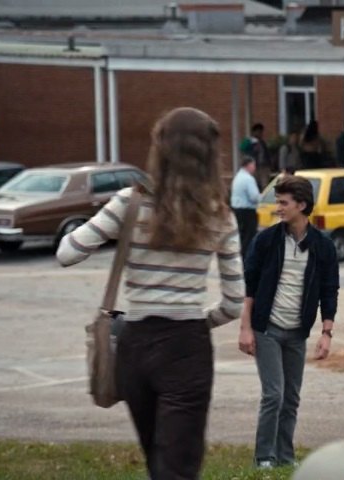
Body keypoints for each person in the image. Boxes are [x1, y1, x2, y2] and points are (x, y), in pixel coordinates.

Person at [57, 107, 244, 480]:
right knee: (178, 466)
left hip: (135, 345)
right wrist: (198, 322)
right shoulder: (220, 215)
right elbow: (234, 303)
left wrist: (113, 228)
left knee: (155, 461)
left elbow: (67, 253)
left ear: (159, 149)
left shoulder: (130, 203)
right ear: (209, 157)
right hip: (187, 348)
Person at [238, 175, 340, 469]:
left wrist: (326, 332)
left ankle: (285, 456)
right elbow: (249, 286)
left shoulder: (323, 246)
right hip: (266, 328)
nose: (278, 207)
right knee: (274, 394)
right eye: (277, 201)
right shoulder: (267, 240)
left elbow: (329, 290)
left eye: (283, 202)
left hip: (297, 332)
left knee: (291, 398)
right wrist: (245, 328)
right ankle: (264, 458)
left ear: (302, 205)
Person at [231, 156, 261, 259]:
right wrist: (260, 198)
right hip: (248, 211)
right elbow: (254, 197)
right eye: (253, 165)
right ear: (248, 165)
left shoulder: (237, 177)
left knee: (240, 236)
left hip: (236, 210)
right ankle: (247, 258)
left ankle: (240, 257)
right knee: (249, 237)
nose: (254, 168)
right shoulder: (249, 179)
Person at [241, 123, 270, 189]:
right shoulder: (249, 141)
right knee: (254, 184)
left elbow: (266, 154)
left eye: (261, 132)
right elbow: (242, 148)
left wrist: (268, 165)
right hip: (254, 166)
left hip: (263, 167)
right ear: (254, 132)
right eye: (259, 132)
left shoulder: (262, 142)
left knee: (264, 185)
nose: (261, 134)